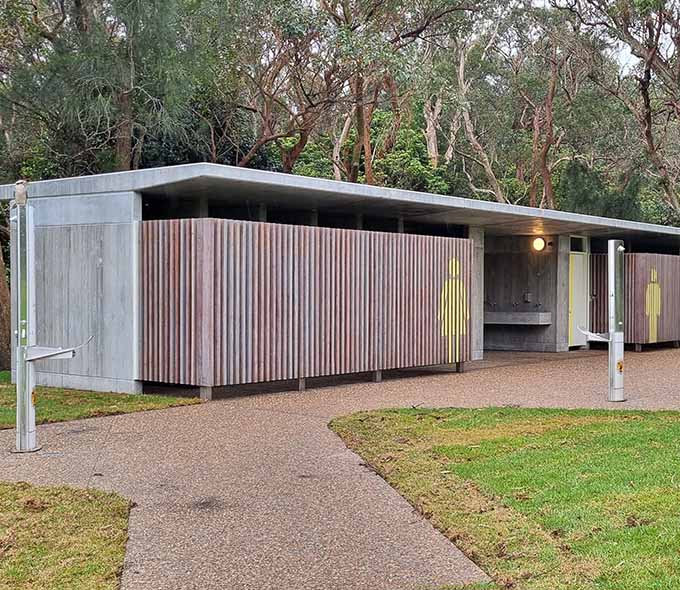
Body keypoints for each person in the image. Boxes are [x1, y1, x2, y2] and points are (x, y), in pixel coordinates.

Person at [439, 257, 469, 364]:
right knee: (450, 333)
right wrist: (441, 314)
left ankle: (456, 356)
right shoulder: (447, 283)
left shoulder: (460, 284)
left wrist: (466, 314)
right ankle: (451, 356)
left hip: (458, 312)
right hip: (449, 312)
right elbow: (443, 298)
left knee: (456, 334)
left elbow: (464, 299)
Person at [645, 267, 662, 343]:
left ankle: (653, 339)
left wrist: (658, 310)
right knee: (651, 326)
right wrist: (647, 310)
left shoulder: (658, 287)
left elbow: (658, 299)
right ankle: (651, 339)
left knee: (654, 326)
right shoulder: (649, 286)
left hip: (655, 310)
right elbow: (647, 297)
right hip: (651, 310)